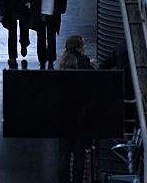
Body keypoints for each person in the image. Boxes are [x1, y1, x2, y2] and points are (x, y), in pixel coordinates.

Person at [57, 35, 93, 183]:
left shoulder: (63, 63)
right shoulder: (84, 62)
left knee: (63, 156)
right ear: (79, 46)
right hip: (80, 117)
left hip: (63, 117)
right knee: (79, 156)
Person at [24, 0, 68, 69]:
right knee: (41, 38)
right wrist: (28, 1)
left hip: (52, 13)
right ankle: (42, 60)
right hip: (40, 13)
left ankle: (51, 61)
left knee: (52, 38)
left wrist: (61, 9)